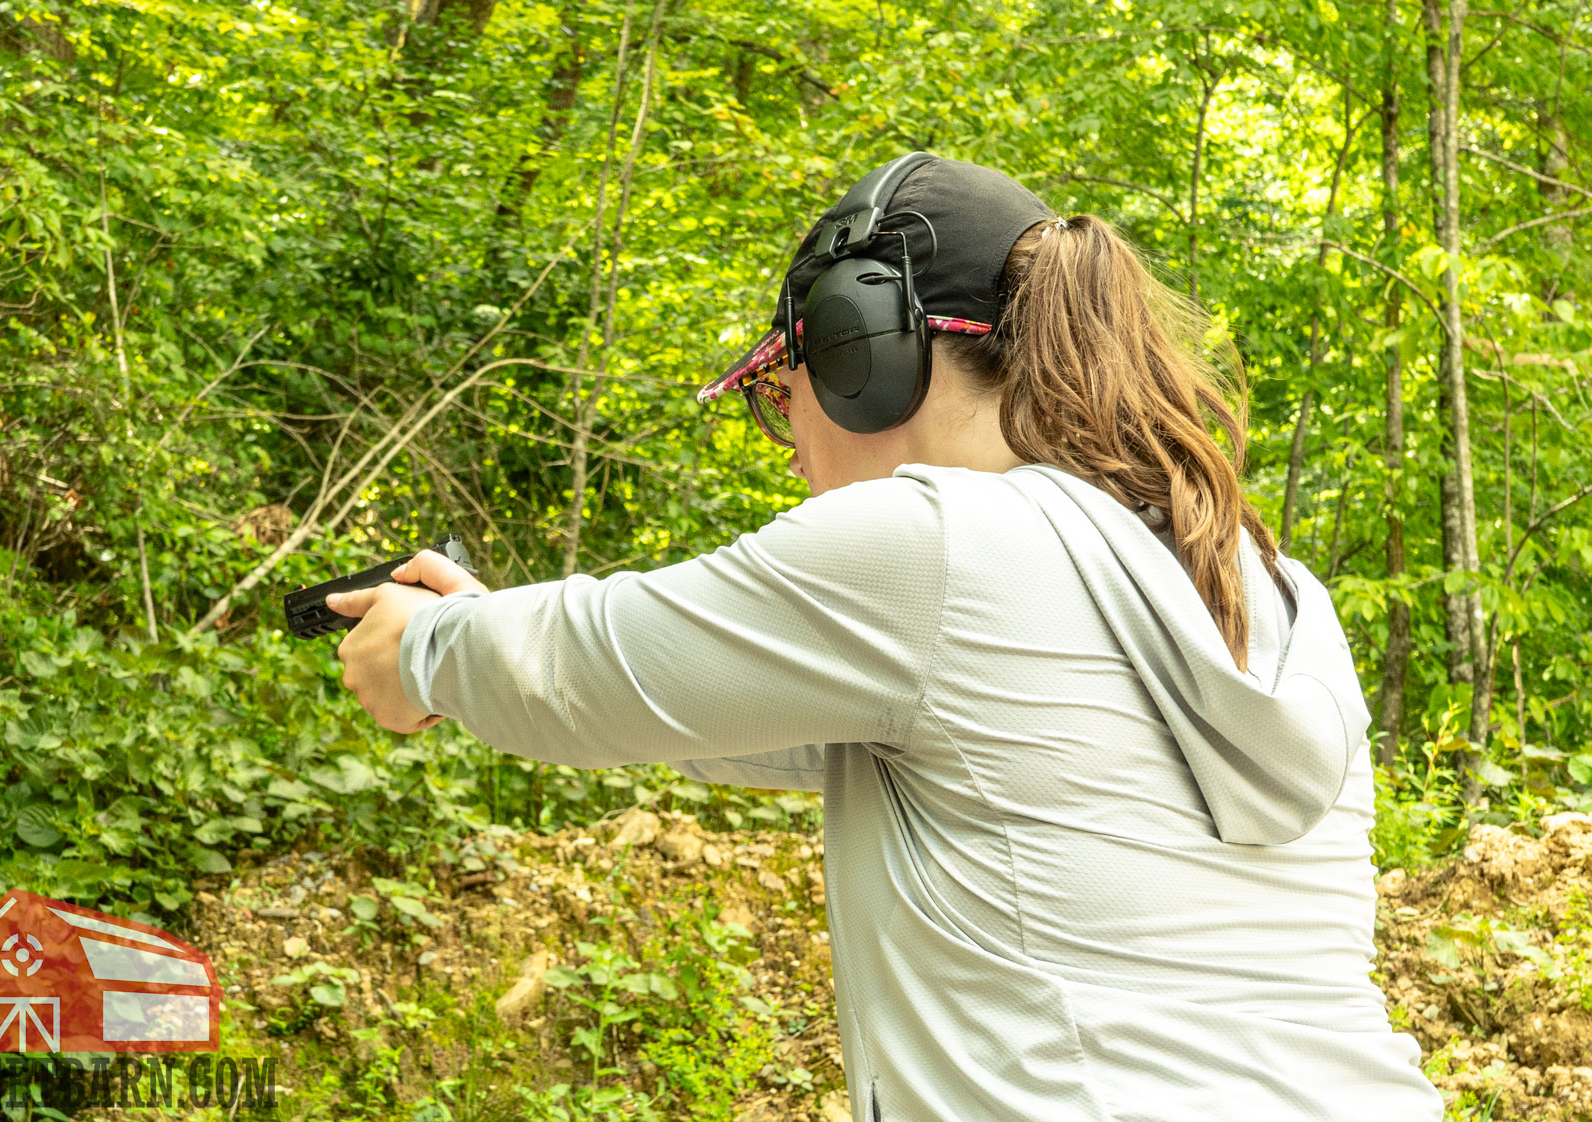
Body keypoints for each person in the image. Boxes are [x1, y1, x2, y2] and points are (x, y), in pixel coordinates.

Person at [329, 154, 1443, 1121]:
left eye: (782, 391)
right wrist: (481, 629)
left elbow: (585, 672)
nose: (789, 440)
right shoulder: (1263, 585)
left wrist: (427, 651)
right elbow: (703, 705)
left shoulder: (937, 546)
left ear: (863, 353)